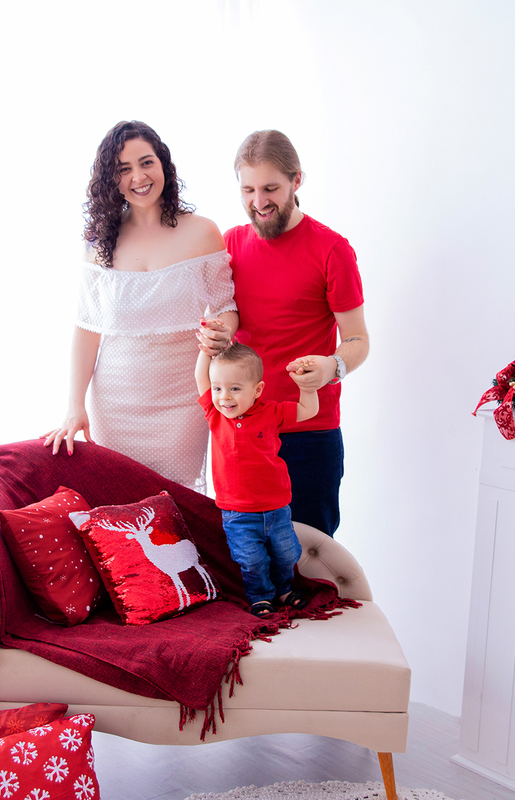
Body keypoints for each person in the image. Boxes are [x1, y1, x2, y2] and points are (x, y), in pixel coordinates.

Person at [43, 121, 237, 491]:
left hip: (183, 403)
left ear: (163, 163)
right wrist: (74, 406)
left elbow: (226, 307)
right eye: (123, 169)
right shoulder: (98, 243)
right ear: (110, 180)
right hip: (114, 404)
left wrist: (222, 331)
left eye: (146, 162)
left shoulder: (203, 232)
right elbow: (86, 329)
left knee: (175, 508)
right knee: (119, 509)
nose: (139, 176)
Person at [223, 130, 369, 536]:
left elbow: (358, 339)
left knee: (312, 562)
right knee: (247, 565)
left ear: (296, 181)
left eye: (271, 188)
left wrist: (332, 366)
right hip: (244, 432)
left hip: (309, 433)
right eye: (248, 189)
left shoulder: (331, 249)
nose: (258, 202)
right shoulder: (230, 244)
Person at [194, 340, 318, 617]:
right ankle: (260, 596)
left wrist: (308, 388)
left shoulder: (271, 412)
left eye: (235, 389)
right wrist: (206, 350)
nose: (224, 397)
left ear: (257, 390)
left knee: (287, 554)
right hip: (237, 513)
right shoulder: (216, 416)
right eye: (218, 388)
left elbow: (307, 411)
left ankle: (284, 589)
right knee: (251, 560)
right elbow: (200, 376)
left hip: (276, 508)